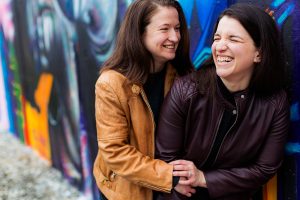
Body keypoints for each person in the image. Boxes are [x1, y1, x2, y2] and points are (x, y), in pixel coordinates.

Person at [156, 3, 290, 200]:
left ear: (259, 53)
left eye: (233, 39)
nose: (220, 46)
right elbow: (166, 158)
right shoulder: (187, 90)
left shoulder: (274, 103)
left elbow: (264, 168)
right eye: (217, 38)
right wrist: (181, 182)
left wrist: (204, 178)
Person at [93, 0, 193, 199]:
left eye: (177, 28)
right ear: (140, 32)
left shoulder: (182, 77)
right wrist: (170, 177)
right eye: (164, 29)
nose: (175, 37)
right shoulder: (111, 84)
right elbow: (115, 152)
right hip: (126, 191)